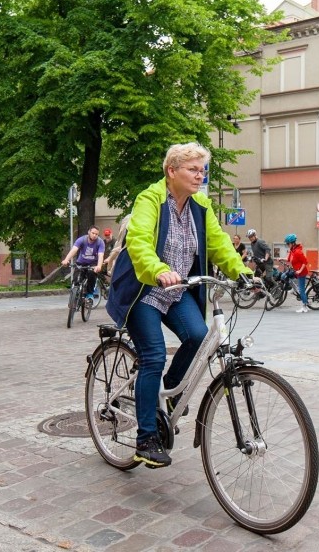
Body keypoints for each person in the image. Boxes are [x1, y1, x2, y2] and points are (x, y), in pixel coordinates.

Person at [106, 142, 253, 468]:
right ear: (171, 171)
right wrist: (158, 270)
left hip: (177, 290)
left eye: (202, 170)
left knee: (200, 338)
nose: (200, 176)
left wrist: (242, 272)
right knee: (153, 355)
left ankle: (173, 387)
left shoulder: (201, 205)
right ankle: (146, 439)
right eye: (192, 169)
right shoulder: (150, 199)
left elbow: (219, 245)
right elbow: (140, 240)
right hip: (145, 289)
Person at [61, 226, 105, 301]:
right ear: (89, 232)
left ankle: (90, 294)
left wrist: (99, 266)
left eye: (96, 234)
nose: (94, 235)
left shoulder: (100, 242)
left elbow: (101, 255)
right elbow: (74, 250)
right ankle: (74, 297)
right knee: (76, 279)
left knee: (91, 274)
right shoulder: (82, 240)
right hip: (81, 262)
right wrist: (66, 259)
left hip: (92, 263)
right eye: (93, 233)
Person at [284, 233, 310, 313]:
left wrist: (300, 270)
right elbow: (288, 260)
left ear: (292, 243)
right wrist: (280, 259)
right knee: (285, 276)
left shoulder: (298, 252)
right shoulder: (292, 251)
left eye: (288, 243)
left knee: (301, 290)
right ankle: (293, 288)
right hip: (296, 271)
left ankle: (305, 306)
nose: (287, 245)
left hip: (301, 272)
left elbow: (305, 262)